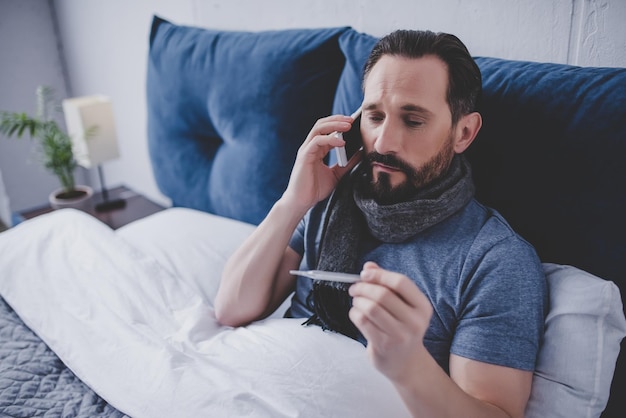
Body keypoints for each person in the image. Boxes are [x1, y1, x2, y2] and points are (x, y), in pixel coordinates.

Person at [215, 29, 547, 418]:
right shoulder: (331, 203)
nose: (384, 141)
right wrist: (293, 202)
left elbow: (496, 412)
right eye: (374, 116)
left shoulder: (495, 261)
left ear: (464, 132)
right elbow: (231, 309)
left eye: (413, 120)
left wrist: (408, 364)